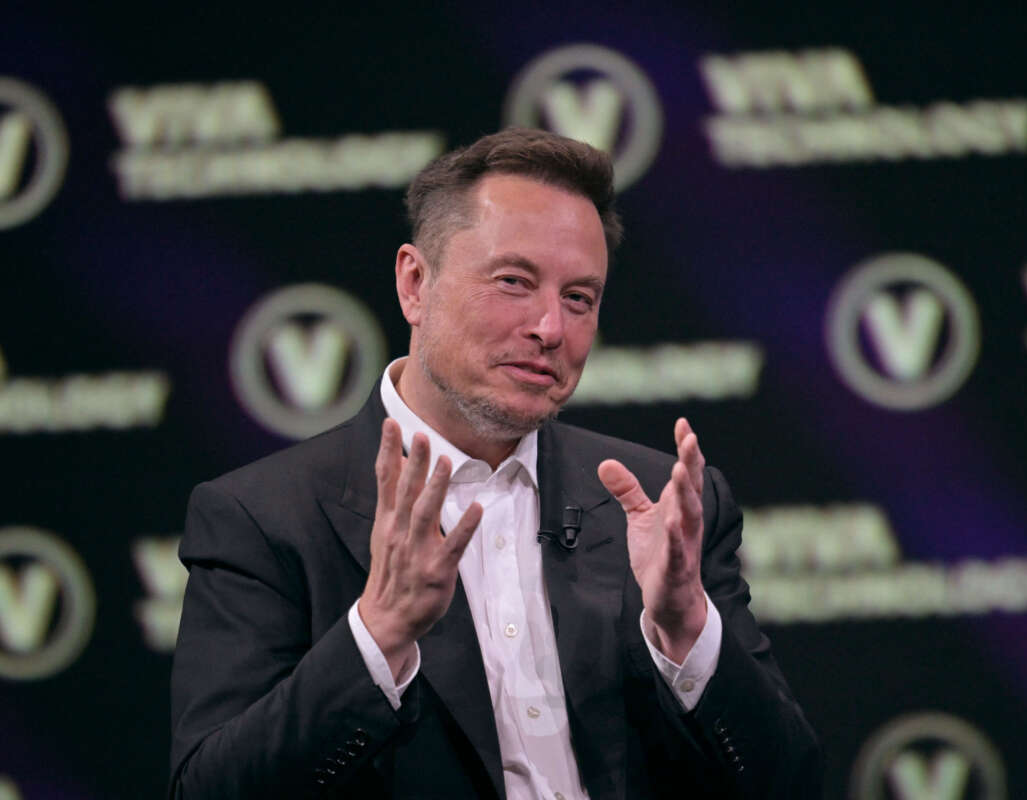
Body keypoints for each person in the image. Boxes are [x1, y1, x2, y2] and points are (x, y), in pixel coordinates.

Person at [169, 128, 820, 799]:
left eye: (579, 298)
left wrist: (690, 636)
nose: (549, 329)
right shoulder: (266, 517)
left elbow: (789, 780)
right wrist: (377, 635)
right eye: (514, 281)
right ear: (415, 284)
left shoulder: (661, 503)